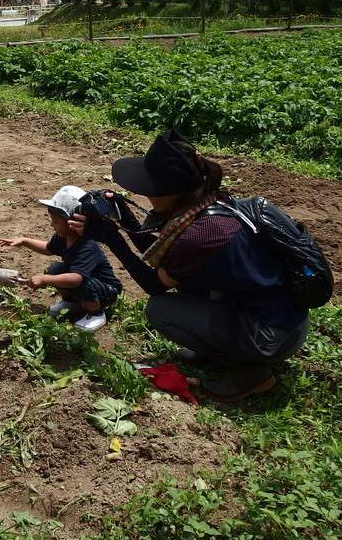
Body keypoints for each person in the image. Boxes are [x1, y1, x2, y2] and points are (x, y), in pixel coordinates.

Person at [74, 130, 310, 400]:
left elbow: (154, 284)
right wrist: (126, 219)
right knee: (186, 285)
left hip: (270, 335)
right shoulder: (214, 206)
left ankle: (250, 373)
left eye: (150, 190)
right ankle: (219, 346)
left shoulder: (201, 233)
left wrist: (111, 237)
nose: (146, 196)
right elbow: (170, 259)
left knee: (160, 310)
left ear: (172, 192)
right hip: (286, 319)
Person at [0, 185, 122, 332]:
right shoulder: (63, 237)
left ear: (72, 222)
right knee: (55, 269)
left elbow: (76, 279)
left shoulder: (87, 245)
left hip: (106, 289)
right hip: (84, 280)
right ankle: (72, 303)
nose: (52, 225)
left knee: (81, 282)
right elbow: (48, 248)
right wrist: (25, 241)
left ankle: (96, 313)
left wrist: (44, 279)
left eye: (56, 221)